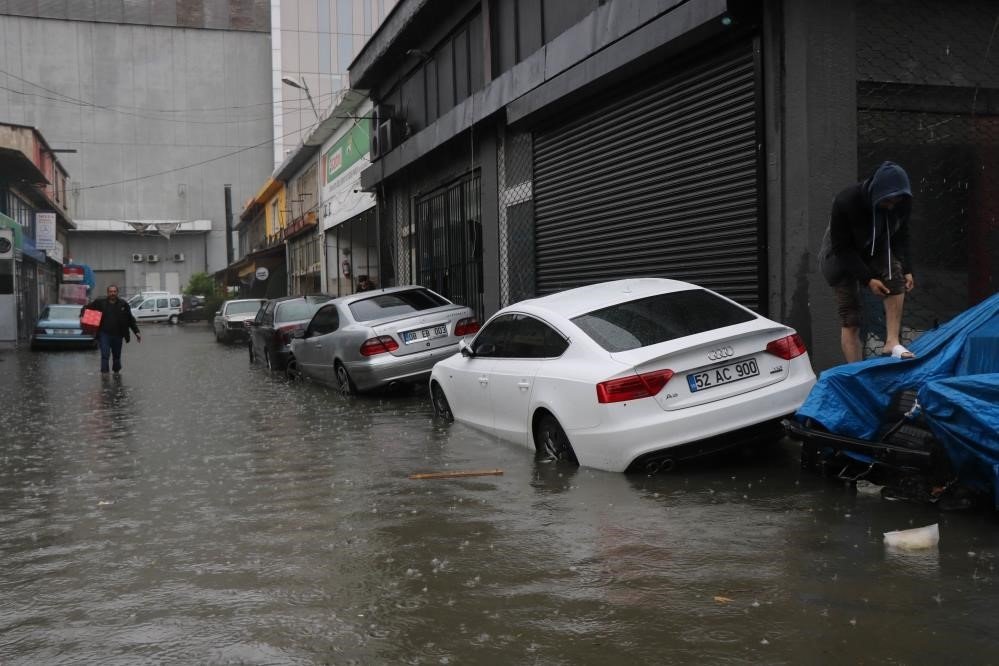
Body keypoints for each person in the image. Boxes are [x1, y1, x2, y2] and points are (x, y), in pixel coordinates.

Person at [819, 161, 915, 363]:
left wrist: (908, 269)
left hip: (874, 248)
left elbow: (901, 236)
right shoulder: (846, 201)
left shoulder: (901, 203)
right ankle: (856, 370)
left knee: (895, 277)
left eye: (896, 201)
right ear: (876, 192)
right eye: (888, 201)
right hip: (839, 258)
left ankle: (892, 342)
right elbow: (842, 248)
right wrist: (868, 279)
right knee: (851, 318)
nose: (891, 205)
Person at [84, 285, 141, 374]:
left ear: (117, 293)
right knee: (105, 355)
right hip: (104, 334)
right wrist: (82, 316)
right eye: (111, 291)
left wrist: (136, 332)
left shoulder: (123, 304)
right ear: (108, 293)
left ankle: (116, 372)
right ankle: (105, 375)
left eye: (114, 291)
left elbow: (130, 319)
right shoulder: (100, 302)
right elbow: (87, 308)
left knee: (116, 356)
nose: (112, 293)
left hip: (118, 335)